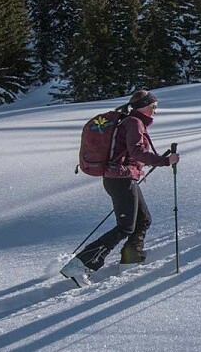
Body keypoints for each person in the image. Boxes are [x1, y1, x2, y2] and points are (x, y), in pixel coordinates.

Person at [61, 89, 180, 286]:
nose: (155, 111)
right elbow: (137, 151)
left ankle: (130, 260)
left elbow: (131, 153)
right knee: (125, 227)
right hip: (120, 180)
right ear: (143, 106)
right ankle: (80, 265)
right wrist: (165, 161)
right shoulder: (134, 122)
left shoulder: (130, 121)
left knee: (143, 219)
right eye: (153, 107)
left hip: (121, 178)